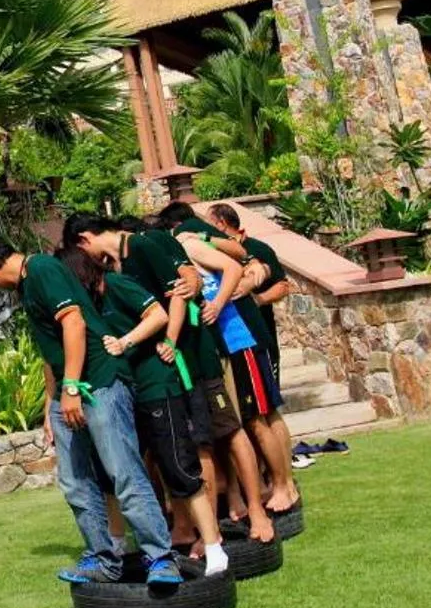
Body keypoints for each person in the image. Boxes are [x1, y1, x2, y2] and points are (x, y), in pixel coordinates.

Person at [0, 234, 181, 589]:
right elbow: (52, 349)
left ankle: (160, 557)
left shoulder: (42, 270)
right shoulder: (27, 283)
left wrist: (70, 389)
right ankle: (102, 558)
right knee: (75, 480)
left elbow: (74, 324)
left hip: (97, 382)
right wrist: (52, 406)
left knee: (123, 472)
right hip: (71, 390)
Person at [65, 211, 273, 545]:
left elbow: (179, 291)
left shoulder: (147, 244)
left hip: (194, 359)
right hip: (169, 369)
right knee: (188, 445)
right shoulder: (117, 267)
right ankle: (192, 527)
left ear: (84, 239)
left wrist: (172, 339)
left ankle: (252, 512)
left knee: (223, 434)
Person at [80, 251, 230, 576]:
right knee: (115, 473)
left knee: (179, 466)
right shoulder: (84, 303)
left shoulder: (117, 286)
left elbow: (159, 314)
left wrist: (124, 342)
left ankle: (214, 544)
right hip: (123, 392)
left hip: (156, 387)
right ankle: (117, 543)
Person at [196, 204, 306, 505]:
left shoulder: (254, 249)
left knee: (266, 412)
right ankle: (268, 479)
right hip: (240, 344)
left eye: (208, 225)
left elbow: (282, 285)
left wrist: (252, 295)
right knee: (257, 415)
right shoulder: (222, 255)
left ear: (220, 223)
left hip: (255, 339)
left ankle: (283, 482)